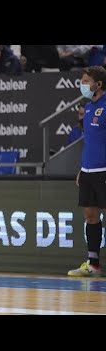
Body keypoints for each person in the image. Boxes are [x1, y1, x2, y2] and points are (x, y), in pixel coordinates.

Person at [68, 66, 106, 277]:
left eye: (85, 81)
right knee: (90, 216)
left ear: (98, 84)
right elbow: (90, 143)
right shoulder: (88, 108)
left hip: (104, 170)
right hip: (89, 171)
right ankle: (93, 264)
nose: (82, 85)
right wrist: (83, 168)